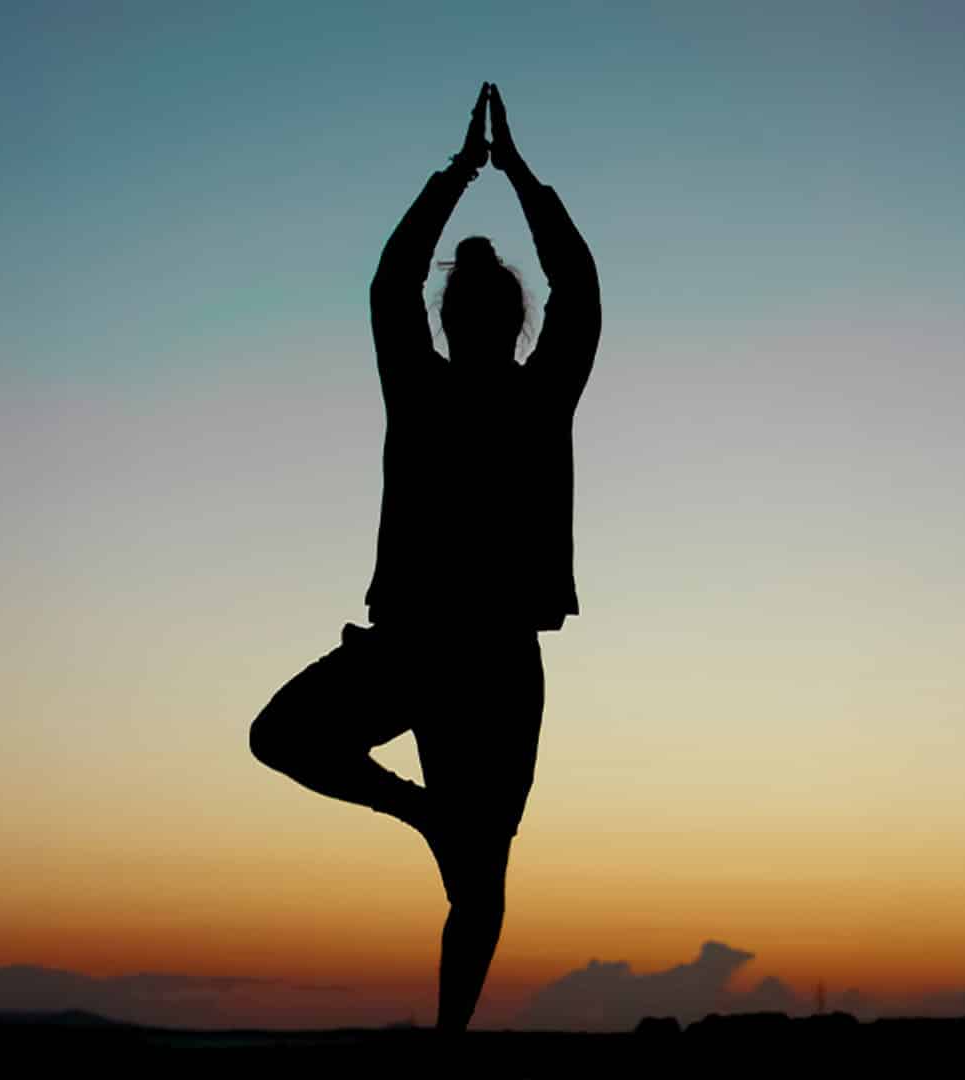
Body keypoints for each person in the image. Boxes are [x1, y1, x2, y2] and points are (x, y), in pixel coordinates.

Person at [248, 82, 599, 1034]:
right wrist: (515, 176)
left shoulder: (461, 389)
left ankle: (446, 1031)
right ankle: (446, 1019)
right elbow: (577, 283)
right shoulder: (527, 390)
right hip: (462, 655)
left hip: (444, 654)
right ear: (508, 320)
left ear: (456, 320)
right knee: (477, 878)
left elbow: (391, 282)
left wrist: (462, 175)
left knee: (290, 744)